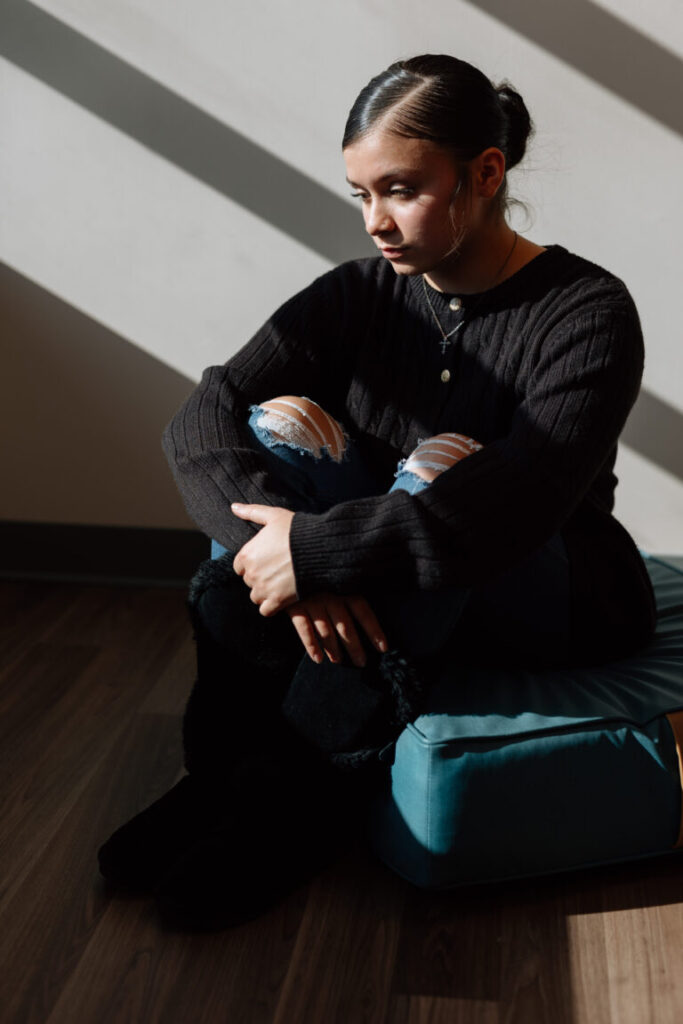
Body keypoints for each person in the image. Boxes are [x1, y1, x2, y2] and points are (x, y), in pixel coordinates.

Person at [97, 53, 657, 929]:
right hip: (405, 564)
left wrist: (317, 552)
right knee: (277, 421)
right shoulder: (358, 294)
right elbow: (200, 416)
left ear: (484, 172)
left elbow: (511, 506)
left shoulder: (587, 311)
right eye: (360, 194)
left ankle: (288, 812)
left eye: (399, 190)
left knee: (448, 465)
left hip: (555, 590)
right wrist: (275, 542)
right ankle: (218, 782)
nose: (375, 223)